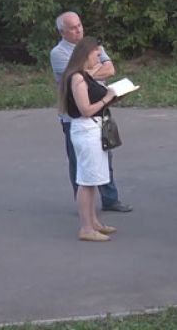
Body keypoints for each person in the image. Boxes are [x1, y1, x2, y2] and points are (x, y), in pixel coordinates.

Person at [50, 11, 132, 213]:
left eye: (80, 25)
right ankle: (84, 207)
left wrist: (89, 72)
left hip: (99, 112)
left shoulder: (90, 45)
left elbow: (110, 69)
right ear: (62, 32)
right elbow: (76, 75)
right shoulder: (58, 53)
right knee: (78, 160)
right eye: (73, 28)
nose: (78, 30)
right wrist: (91, 71)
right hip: (75, 116)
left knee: (105, 154)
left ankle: (110, 199)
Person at [56, 37, 119, 241]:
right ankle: (86, 227)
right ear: (86, 54)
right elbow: (85, 109)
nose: (99, 59)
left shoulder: (85, 75)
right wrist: (107, 98)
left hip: (95, 127)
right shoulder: (77, 78)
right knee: (86, 179)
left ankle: (93, 222)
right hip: (86, 128)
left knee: (93, 178)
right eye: (97, 55)